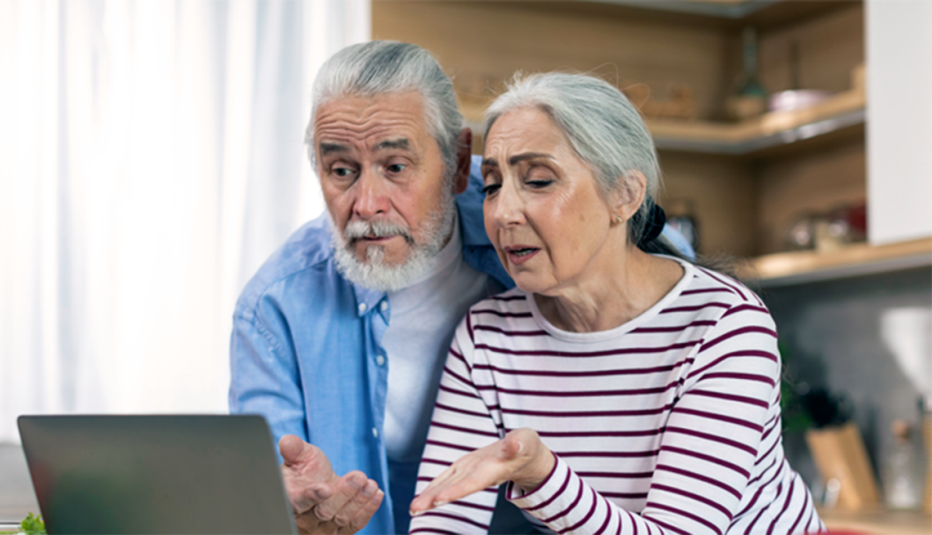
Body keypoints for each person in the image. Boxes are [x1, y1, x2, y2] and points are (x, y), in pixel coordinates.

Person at [229, 41, 692, 535]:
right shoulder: (274, 306)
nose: (366, 204)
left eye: (395, 168)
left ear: (456, 161)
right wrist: (292, 515)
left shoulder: (526, 227)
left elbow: (648, 263)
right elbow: (269, 496)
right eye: (342, 171)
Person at [408, 73, 824, 534]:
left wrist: (543, 477)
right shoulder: (488, 334)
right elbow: (443, 520)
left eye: (539, 180)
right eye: (492, 185)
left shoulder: (723, 327)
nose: (503, 211)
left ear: (624, 195)